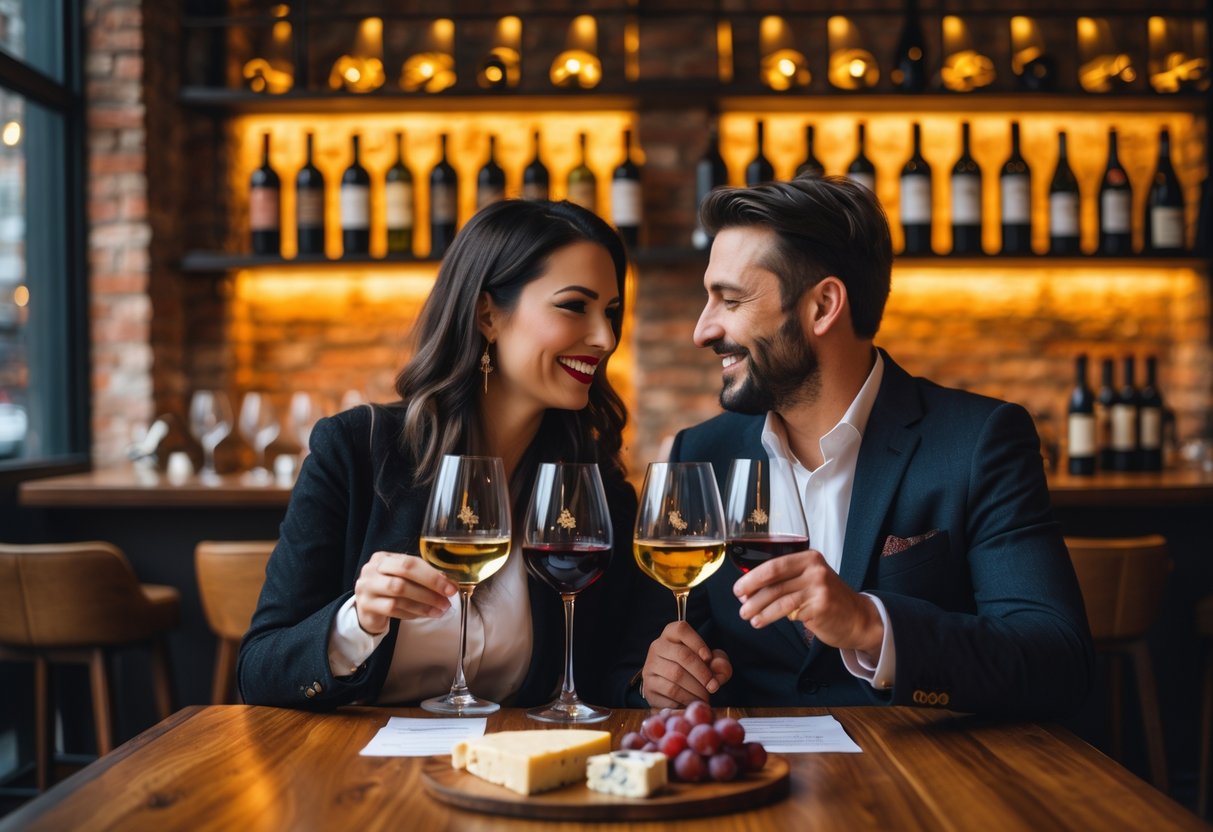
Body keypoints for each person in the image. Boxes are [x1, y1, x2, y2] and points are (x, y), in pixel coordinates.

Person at [633, 175, 1094, 716]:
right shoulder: (699, 455)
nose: (702, 330)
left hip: (922, 768)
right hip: (751, 766)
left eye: (730, 300)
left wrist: (870, 625)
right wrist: (662, 678)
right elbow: (645, 660)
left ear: (823, 306)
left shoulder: (980, 441)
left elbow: (1057, 659)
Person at [239, 199, 645, 709]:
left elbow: (610, 672)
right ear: (487, 314)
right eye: (574, 306)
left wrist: (649, 679)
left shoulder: (595, 488)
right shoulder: (355, 449)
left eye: (611, 312)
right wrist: (357, 622)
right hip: (357, 756)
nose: (605, 338)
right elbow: (258, 672)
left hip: (515, 755)